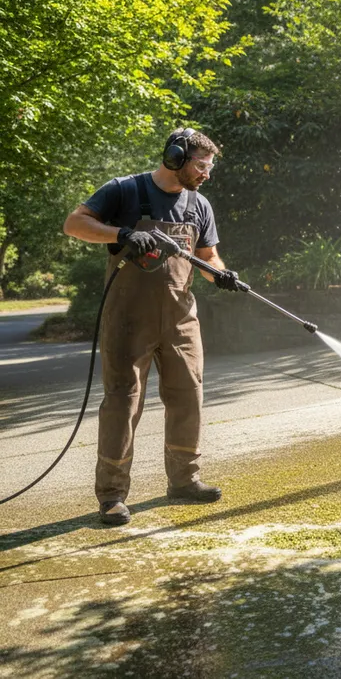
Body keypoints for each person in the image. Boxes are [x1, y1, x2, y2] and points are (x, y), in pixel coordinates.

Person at [63, 128, 242, 525]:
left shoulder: (199, 205)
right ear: (175, 156)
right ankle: (111, 495)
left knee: (188, 394)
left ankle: (185, 480)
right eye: (201, 165)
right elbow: (74, 224)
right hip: (128, 317)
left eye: (209, 167)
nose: (206, 174)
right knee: (123, 402)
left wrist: (222, 275)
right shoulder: (123, 190)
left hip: (181, 318)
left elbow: (208, 255)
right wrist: (123, 233)